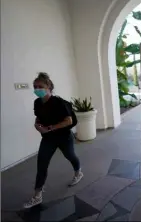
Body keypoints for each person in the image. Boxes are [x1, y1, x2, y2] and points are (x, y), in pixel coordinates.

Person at [24, 72, 83, 209]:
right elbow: (39, 117)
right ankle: (37, 195)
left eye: (40, 86)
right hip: (48, 139)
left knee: (70, 156)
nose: (37, 89)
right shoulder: (37, 103)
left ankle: (78, 172)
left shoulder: (59, 103)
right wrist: (37, 125)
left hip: (64, 137)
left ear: (49, 86)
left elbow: (68, 120)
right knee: (42, 164)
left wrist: (50, 128)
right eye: (35, 86)